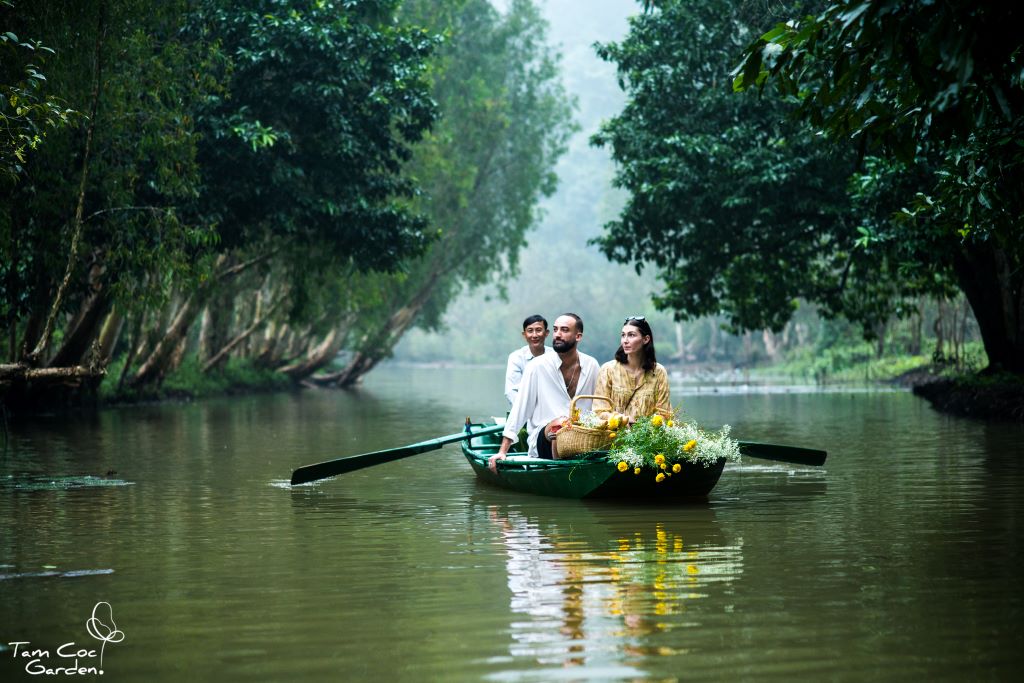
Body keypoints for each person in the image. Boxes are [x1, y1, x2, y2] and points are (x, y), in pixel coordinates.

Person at [489, 313, 599, 471]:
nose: (558, 334)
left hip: (582, 437)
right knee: (561, 425)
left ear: (578, 336)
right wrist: (502, 451)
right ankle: (560, 473)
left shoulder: (591, 365)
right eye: (555, 330)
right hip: (544, 436)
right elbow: (520, 408)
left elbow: (600, 405)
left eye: (564, 330)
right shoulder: (537, 366)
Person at [594, 316, 671, 423]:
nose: (625, 341)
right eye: (623, 335)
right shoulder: (608, 370)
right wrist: (621, 420)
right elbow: (599, 411)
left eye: (631, 335)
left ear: (646, 339)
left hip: (646, 437)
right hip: (612, 436)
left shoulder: (658, 372)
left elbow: (664, 413)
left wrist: (643, 427)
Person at [504, 314, 554, 406]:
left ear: (546, 333)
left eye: (538, 330)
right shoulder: (516, 357)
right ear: (524, 335)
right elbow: (512, 391)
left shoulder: (555, 356)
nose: (534, 335)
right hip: (524, 409)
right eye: (530, 331)